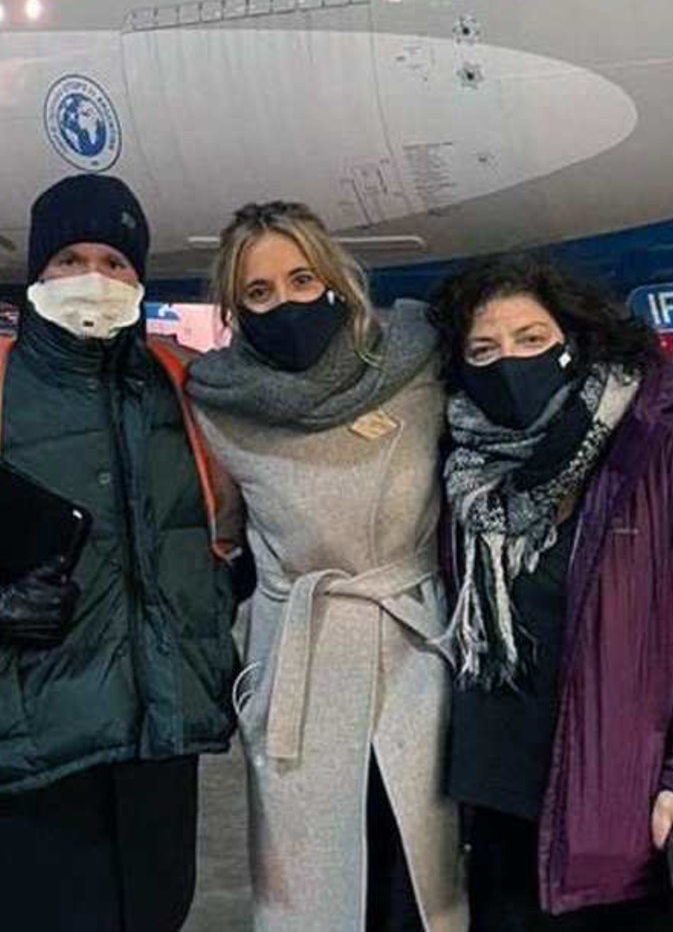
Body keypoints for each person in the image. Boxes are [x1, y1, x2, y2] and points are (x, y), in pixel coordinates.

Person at [0, 173, 241, 932]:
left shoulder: (184, 388)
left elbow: (227, 539)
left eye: (114, 261)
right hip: (23, 766)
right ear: (37, 276)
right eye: (69, 260)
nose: (93, 277)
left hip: (156, 757)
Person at [428, 254, 673, 931]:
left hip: (649, 816)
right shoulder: (464, 471)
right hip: (506, 814)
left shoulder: (667, 447)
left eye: (531, 339)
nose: (507, 362)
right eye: (482, 349)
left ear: (575, 342)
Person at [184, 200, 465, 932]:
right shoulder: (219, 403)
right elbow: (217, 542)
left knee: (417, 883)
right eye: (259, 291)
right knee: (310, 896)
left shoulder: (418, 365)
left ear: (335, 277)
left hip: (415, 660)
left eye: (302, 278)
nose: (286, 302)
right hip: (298, 676)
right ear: (234, 307)